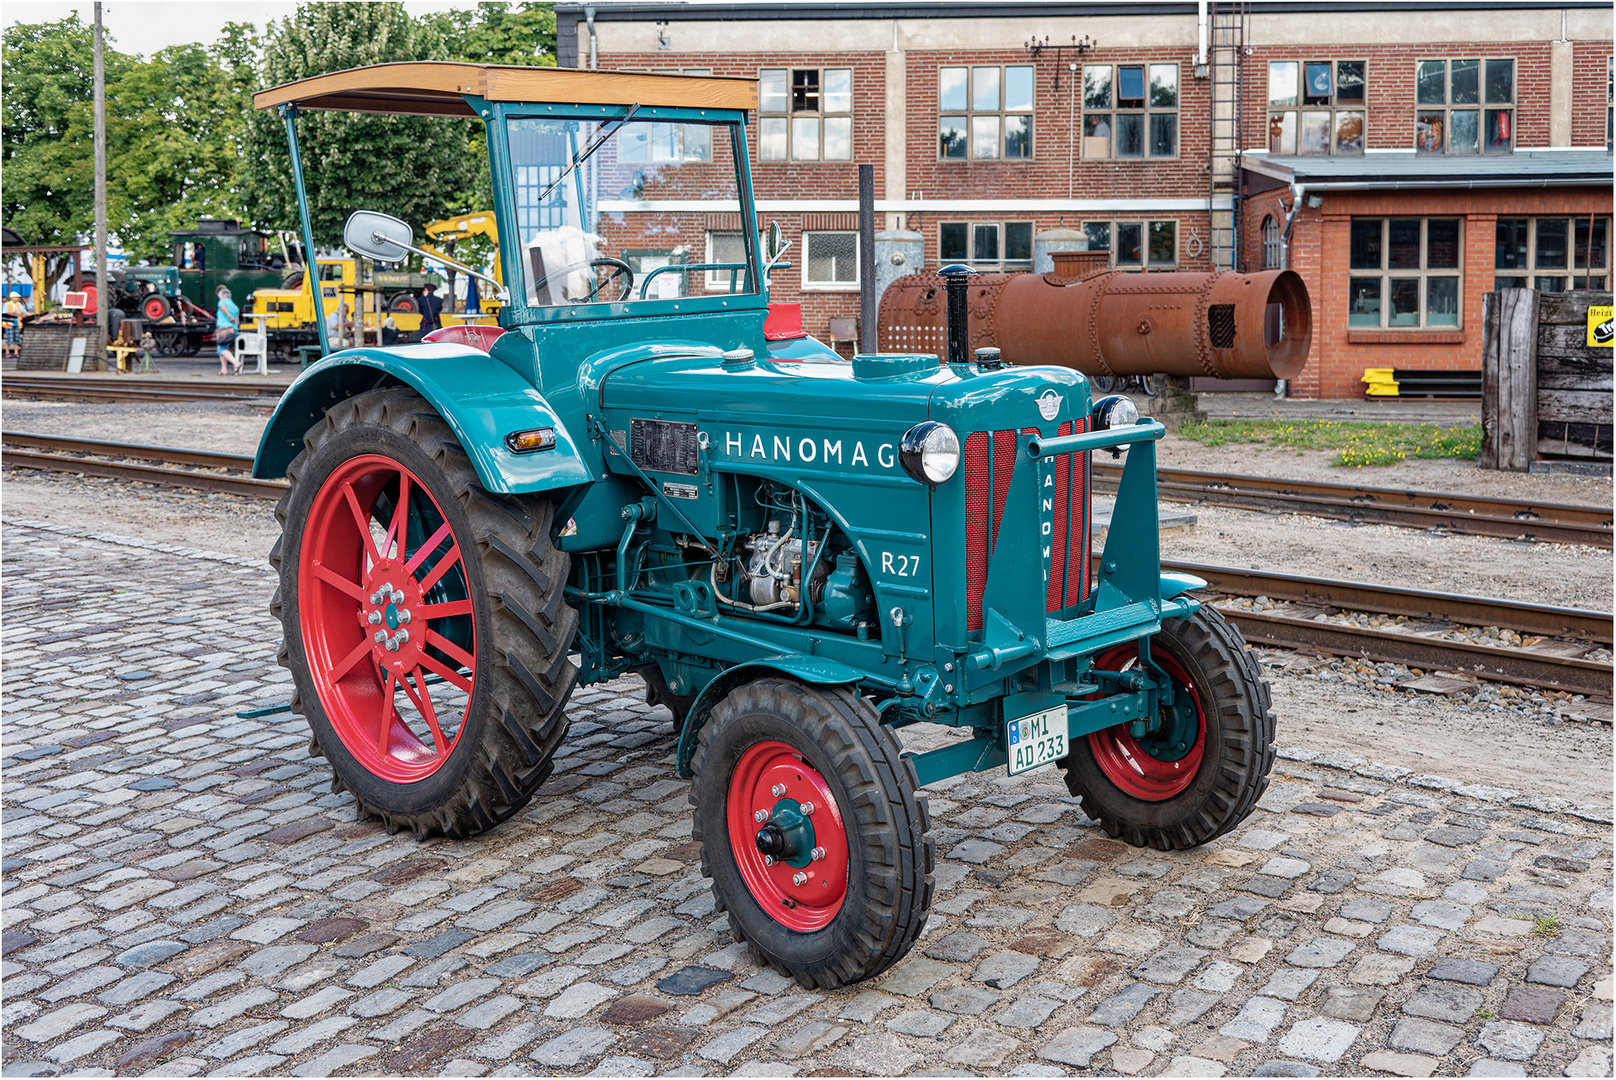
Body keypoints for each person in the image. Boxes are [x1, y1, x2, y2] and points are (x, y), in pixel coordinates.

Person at [215, 284, 241, 374]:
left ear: (221, 296)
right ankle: (224, 369)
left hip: (224, 329)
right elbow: (237, 321)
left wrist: (229, 317)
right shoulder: (235, 306)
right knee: (221, 348)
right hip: (233, 329)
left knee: (222, 349)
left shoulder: (222, 302)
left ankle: (236, 363)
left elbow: (222, 308)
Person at [2, 292, 24, 362]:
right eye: (16, 297)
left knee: (17, 339)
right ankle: (7, 353)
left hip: (17, 324)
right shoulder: (7, 304)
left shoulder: (19, 305)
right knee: (9, 338)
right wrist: (16, 315)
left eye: (18, 297)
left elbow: (24, 312)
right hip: (9, 324)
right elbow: (5, 313)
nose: (18, 298)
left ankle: (16, 353)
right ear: (12, 297)